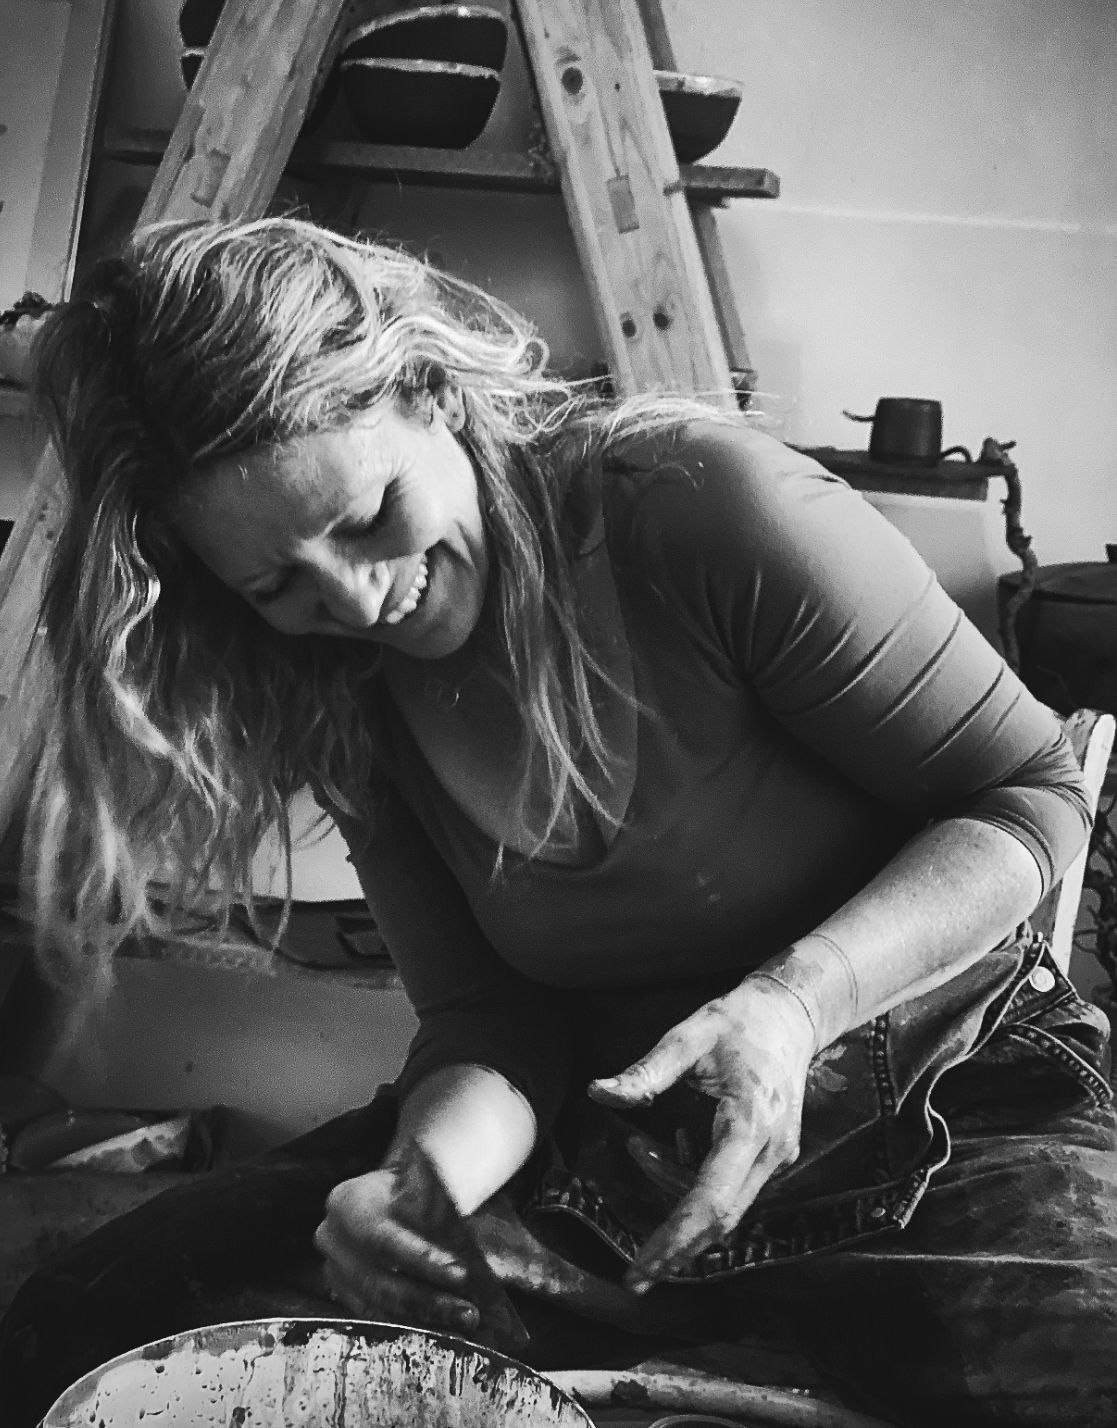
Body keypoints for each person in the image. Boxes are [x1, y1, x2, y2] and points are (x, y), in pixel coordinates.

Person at [12, 215, 1117, 1426]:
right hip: (609, 1157)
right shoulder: (334, 684)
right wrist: (424, 1186)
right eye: (277, 584)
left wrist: (794, 1004)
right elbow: (491, 1020)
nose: (358, 600)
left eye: (369, 517)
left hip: (943, 1114)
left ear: (433, 393)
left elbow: (1031, 794)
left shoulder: (705, 509)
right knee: (89, 1327)